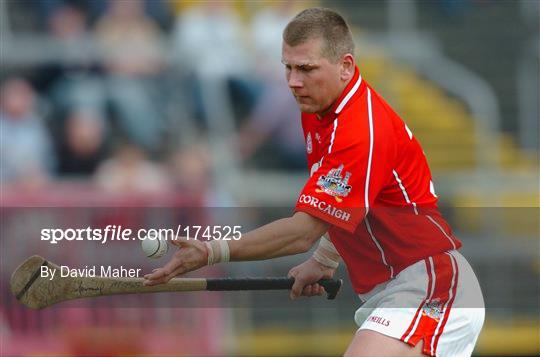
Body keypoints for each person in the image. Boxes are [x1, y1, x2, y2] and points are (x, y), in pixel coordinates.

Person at [143, 8, 485, 356]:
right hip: (395, 291)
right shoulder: (321, 112)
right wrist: (324, 259)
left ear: (346, 66)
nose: (293, 81)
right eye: (288, 67)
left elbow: (303, 231)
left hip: (431, 287)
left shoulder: (360, 130)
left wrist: (211, 251)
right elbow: (349, 203)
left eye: (306, 68)